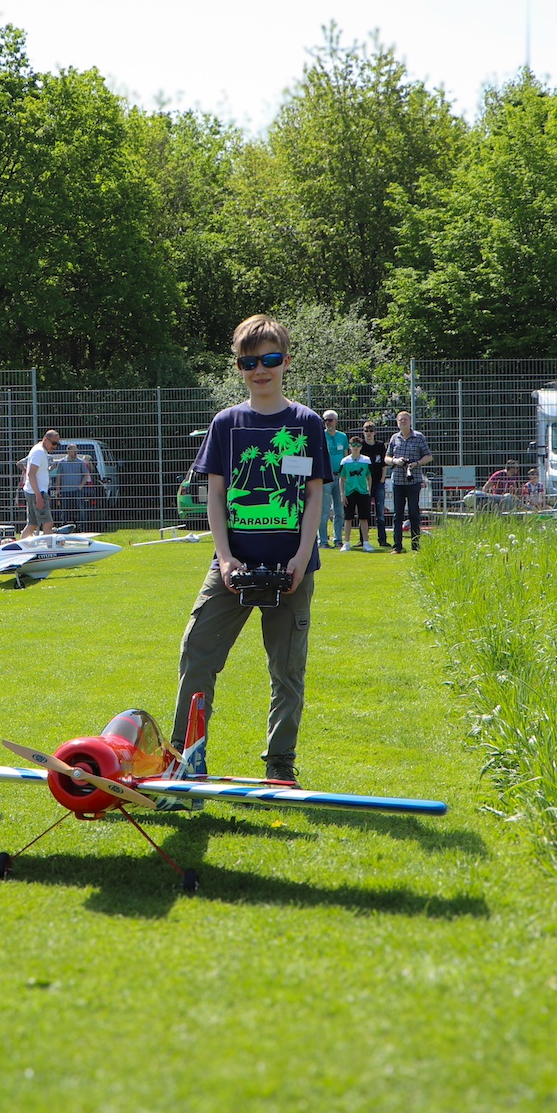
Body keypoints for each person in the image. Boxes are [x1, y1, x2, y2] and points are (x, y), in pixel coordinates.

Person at [172, 314, 330, 785]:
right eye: (249, 362)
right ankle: (185, 758)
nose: (260, 370)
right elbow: (216, 496)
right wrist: (224, 558)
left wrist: (300, 558)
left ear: (286, 362)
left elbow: (313, 496)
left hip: (292, 568)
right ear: (239, 367)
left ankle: (280, 765)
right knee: (196, 652)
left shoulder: (306, 423)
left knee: (287, 670)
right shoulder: (226, 423)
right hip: (232, 565)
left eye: (270, 359)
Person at [384, 411, 431, 552]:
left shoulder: (419, 437)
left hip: (414, 481)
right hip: (397, 481)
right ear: (397, 422)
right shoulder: (394, 438)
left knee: (414, 514)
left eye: (405, 419)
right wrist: (395, 461)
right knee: (397, 515)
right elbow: (386, 458)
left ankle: (416, 546)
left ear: (410, 421)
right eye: (400, 420)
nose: (403, 421)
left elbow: (428, 456)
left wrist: (416, 463)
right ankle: (397, 546)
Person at [338, 432, 375, 548]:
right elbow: (341, 478)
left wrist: (369, 490)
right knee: (348, 518)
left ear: (361, 447)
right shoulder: (345, 461)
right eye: (353, 445)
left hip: (363, 492)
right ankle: (347, 543)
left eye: (358, 445)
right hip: (349, 492)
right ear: (349, 446)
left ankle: (366, 542)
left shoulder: (366, 460)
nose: (355, 447)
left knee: (364, 518)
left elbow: (369, 476)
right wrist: (342, 494)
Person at [21, 430, 60, 536]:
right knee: (48, 523)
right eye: (54, 443)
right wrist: (39, 496)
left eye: (57, 444)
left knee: (32, 524)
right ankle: (48, 546)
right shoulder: (39, 452)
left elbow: (38, 472)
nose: (55, 447)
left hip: (33, 492)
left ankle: (21, 545)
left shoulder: (40, 450)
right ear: (46, 440)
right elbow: (31, 473)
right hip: (37, 493)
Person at [359, 418, 390, 545]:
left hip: (378, 483)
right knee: (364, 512)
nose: (369, 433)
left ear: (375, 432)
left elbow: (384, 465)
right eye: (366, 431)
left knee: (380, 513)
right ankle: (363, 540)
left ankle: (382, 540)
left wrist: (382, 480)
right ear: (363, 432)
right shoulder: (361, 446)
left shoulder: (380, 446)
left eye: (371, 431)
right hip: (364, 484)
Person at [321, 411, 349, 549]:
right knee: (324, 511)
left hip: (340, 477)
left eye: (330, 420)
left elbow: (346, 456)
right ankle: (323, 541)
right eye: (326, 420)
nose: (328, 423)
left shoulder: (342, 437)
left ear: (336, 421)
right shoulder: (321, 435)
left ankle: (338, 539)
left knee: (339, 510)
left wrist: (345, 475)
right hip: (326, 477)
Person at [53, 444, 90, 529]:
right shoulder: (62, 462)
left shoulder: (80, 462)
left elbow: (86, 475)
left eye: (76, 451)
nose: (76, 453)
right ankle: (64, 527)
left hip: (77, 491)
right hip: (65, 491)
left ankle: (82, 527)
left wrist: (81, 486)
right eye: (74, 451)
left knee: (80, 509)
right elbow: (58, 476)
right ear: (68, 451)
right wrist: (58, 490)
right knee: (65, 510)